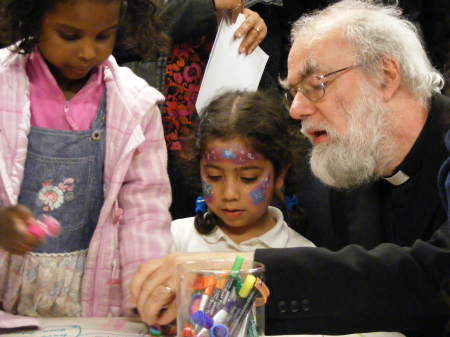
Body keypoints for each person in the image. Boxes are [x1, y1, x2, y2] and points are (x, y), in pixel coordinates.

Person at [130, 1, 450, 336]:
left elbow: (433, 276)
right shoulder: (338, 182)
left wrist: (238, 272)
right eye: (293, 93)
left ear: (386, 75)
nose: (296, 109)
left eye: (315, 85)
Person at [0, 0, 172, 318]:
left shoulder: (136, 106)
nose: (88, 52)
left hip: (96, 304)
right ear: (33, 20)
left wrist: (148, 294)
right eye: (69, 36)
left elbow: (145, 212)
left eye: (104, 36)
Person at [170, 90, 314, 252]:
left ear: (280, 175)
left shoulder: (301, 254)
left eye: (248, 178)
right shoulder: (174, 241)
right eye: (214, 176)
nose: (229, 194)